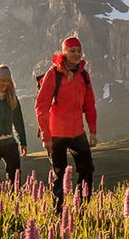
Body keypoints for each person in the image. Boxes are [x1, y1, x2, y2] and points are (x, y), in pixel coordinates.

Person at [35, 35, 98, 212]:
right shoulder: (53, 74)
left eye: (79, 50)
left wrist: (92, 131)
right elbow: (41, 106)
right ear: (64, 52)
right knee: (59, 174)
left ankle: (81, 210)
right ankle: (58, 213)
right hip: (56, 134)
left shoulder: (84, 76)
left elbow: (90, 105)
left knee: (87, 170)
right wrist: (46, 136)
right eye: (72, 50)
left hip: (77, 131)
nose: (77, 54)